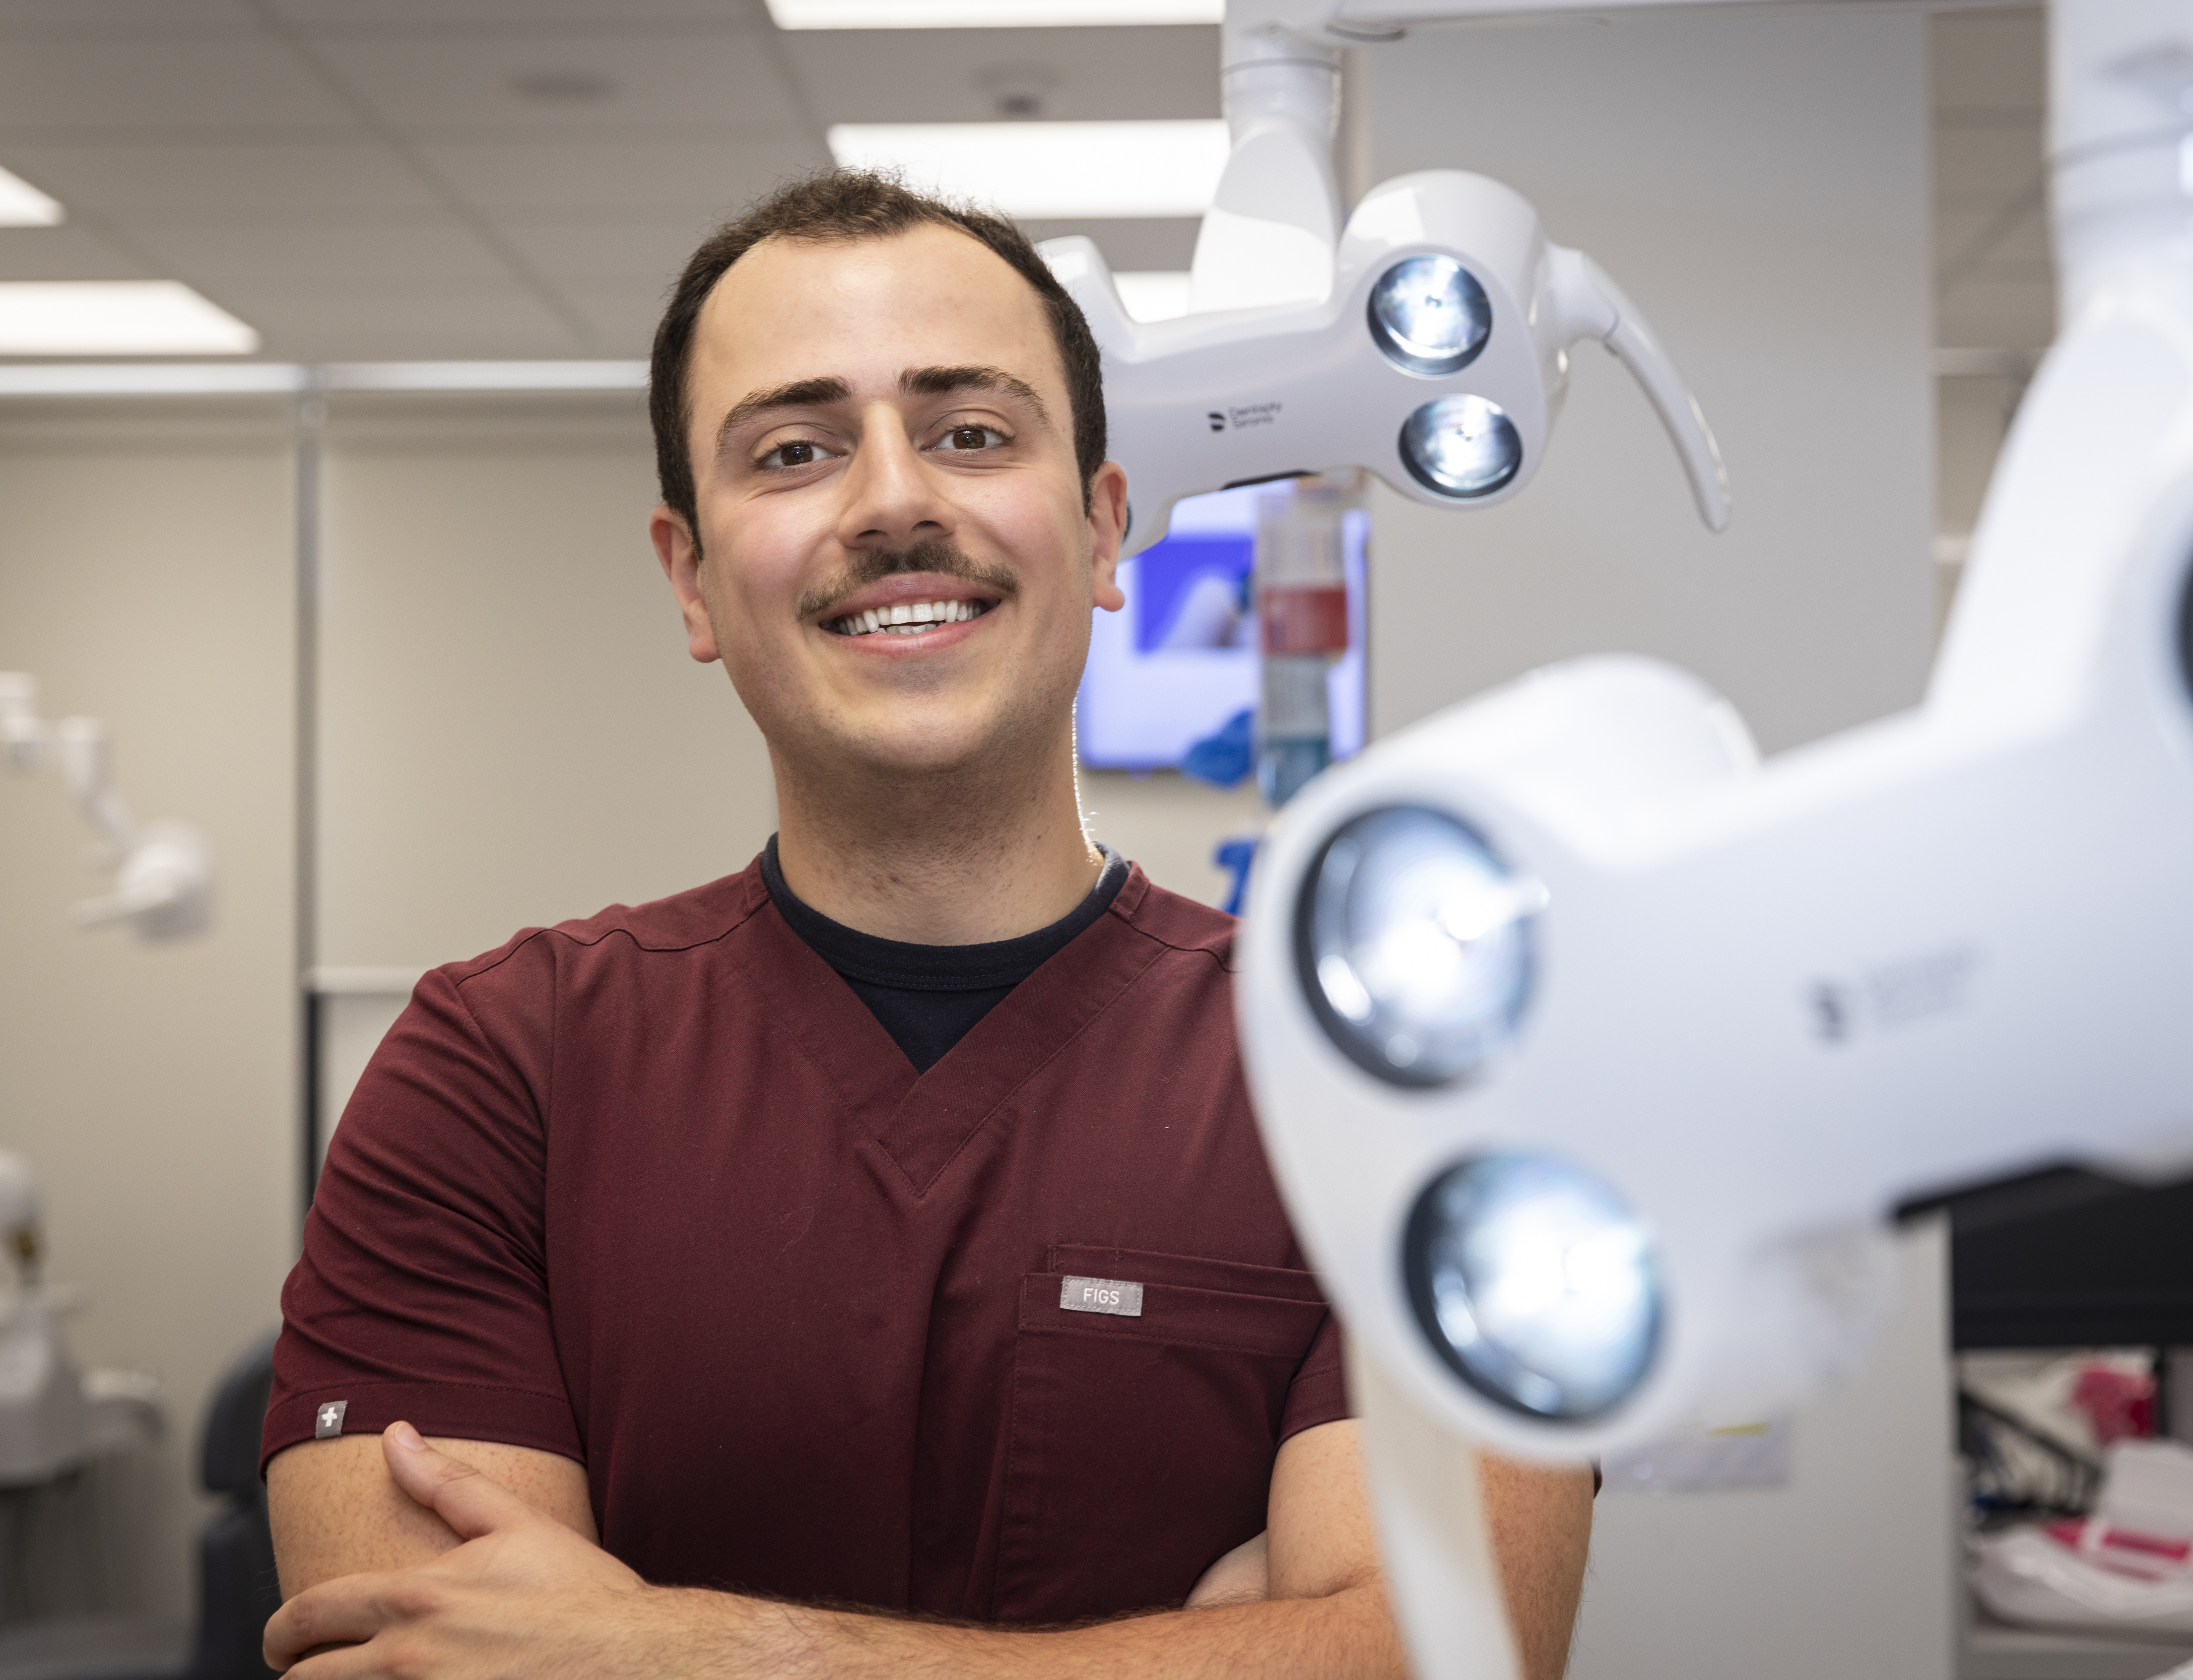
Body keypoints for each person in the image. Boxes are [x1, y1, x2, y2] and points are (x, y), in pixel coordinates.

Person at [259, 170, 1593, 1676]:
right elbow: (418, 1659)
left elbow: (1450, 1660)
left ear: (1103, 531)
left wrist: (676, 1650)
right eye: (796, 448)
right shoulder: (498, 1075)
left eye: (971, 431)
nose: (895, 501)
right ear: (690, 577)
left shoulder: (1393, 1069)